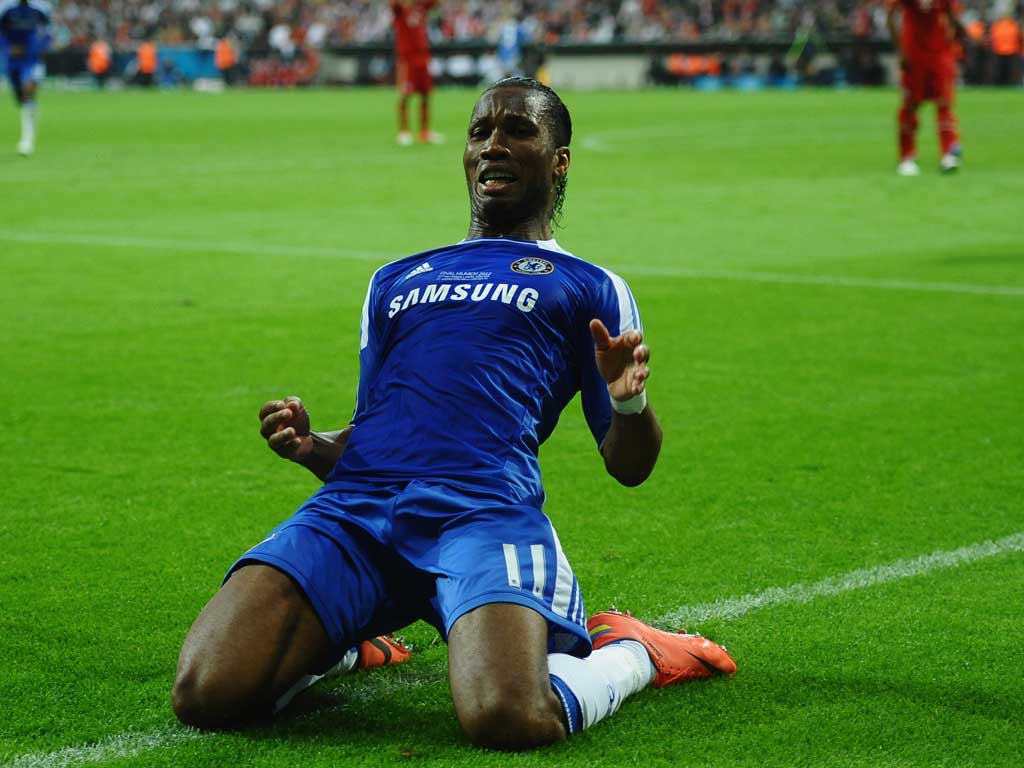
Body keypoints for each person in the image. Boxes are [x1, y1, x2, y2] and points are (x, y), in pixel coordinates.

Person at [171, 77, 737, 750]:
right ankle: (347, 643)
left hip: (482, 512)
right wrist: (312, 444)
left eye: (518, 130)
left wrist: (629, 400)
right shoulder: (395, 279)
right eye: (479, 132)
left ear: (560, 160)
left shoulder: (589, 285)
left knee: (511, 717)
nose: (493, 144)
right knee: (206, 692)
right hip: (358, 511)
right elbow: (371, 436)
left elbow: (630, 465)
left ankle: (634, 652)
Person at [887, 0, 966, 175]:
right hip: (914, 53)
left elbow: (951, 15)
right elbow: (891, 15)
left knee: (944, 103)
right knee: (911, 105)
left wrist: (958, 35)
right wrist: (900, 50)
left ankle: (949, 153)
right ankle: (906, 157)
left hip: (939, 54)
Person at [0, 0, 51, 156]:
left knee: (28, 89)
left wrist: (43, 47)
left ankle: (27, 140)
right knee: (22, 98)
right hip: (14, 60)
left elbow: (47, 31)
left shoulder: (40, 9)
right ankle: (31, 113)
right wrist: (8, 47)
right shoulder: (7, 10)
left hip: (32, 58)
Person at [391, 0, 442, 145]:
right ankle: (404, 132)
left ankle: (424, 132)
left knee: (426, 95)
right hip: (407, 60)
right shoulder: (400, 11)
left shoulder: (420, 8)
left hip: (422, 59)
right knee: (405, 95)